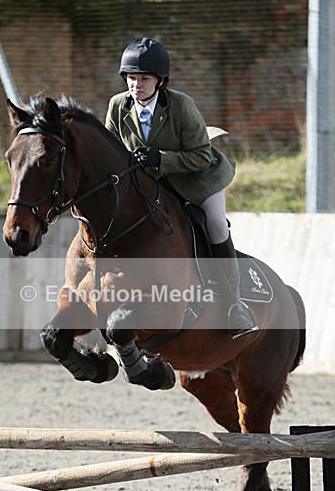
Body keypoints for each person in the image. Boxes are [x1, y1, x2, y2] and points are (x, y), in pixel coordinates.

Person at [105, 36, 257, 339]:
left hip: (197, 178)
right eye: (131, 79)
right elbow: (110, 151)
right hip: (151, 186)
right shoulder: (118, 106)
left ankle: (234, 305)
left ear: (160, 81)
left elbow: (200, 156)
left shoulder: (181, 105)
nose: (136, 85)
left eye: (143, 79)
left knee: (215, 226)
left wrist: (160, 158)